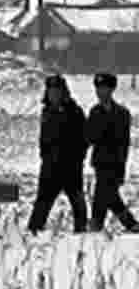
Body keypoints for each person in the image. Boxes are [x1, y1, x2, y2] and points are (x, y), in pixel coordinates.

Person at [26, 74, 88, 235]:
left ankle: (81, 234)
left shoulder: (75, 111)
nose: (53, 94)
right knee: (42, 202)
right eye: (51, 91)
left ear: (63, 92)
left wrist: (77, 158)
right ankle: (33, 232)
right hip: (50, 166)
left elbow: (84, 139)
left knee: (77, 202)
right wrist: (45, 156)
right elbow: (43, 139)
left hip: (71, 167)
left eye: (57, 91)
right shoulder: (46, 112)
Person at [86, 72, 139, 232]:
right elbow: (88, 137)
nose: (100, 92)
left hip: (115, 163)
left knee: (106, 196)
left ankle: (102, 225)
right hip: (100, 163)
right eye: (98, 89)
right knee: (106, 194)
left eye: (104, 89)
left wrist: (122, 168)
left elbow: (124, 143)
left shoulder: (122, 114)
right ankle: (130, 224)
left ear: (111, 90)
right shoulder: (95, 112)